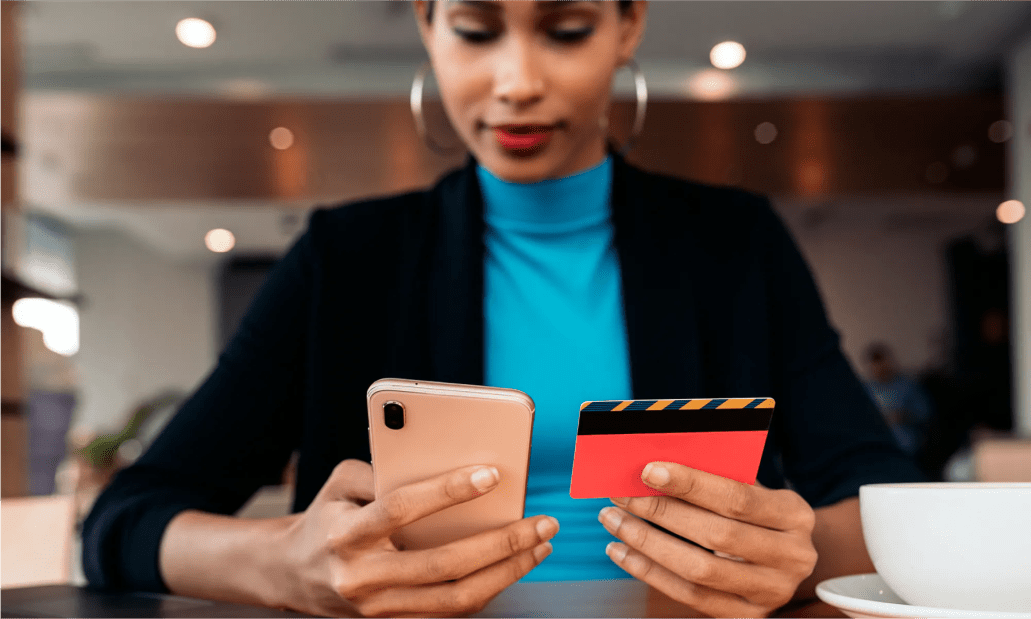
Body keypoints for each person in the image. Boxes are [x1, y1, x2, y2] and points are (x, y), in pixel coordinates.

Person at [82, 2, 925, 618]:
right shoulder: (348, 258)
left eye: (564, 30)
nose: (517, 83)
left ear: (627, 26)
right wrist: (282, 563)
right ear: (427, 26)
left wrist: (795, 547)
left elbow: (886, 504)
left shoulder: (733, 244)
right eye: (476, 30)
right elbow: (124, 521)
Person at [863, 343, 934, 457]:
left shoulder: (907, 384)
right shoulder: (867, 390)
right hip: (878, 448)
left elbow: (926, 412)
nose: (881, 368)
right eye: (876, 364)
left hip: (908, 445)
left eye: (883, 363)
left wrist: (905, 416)